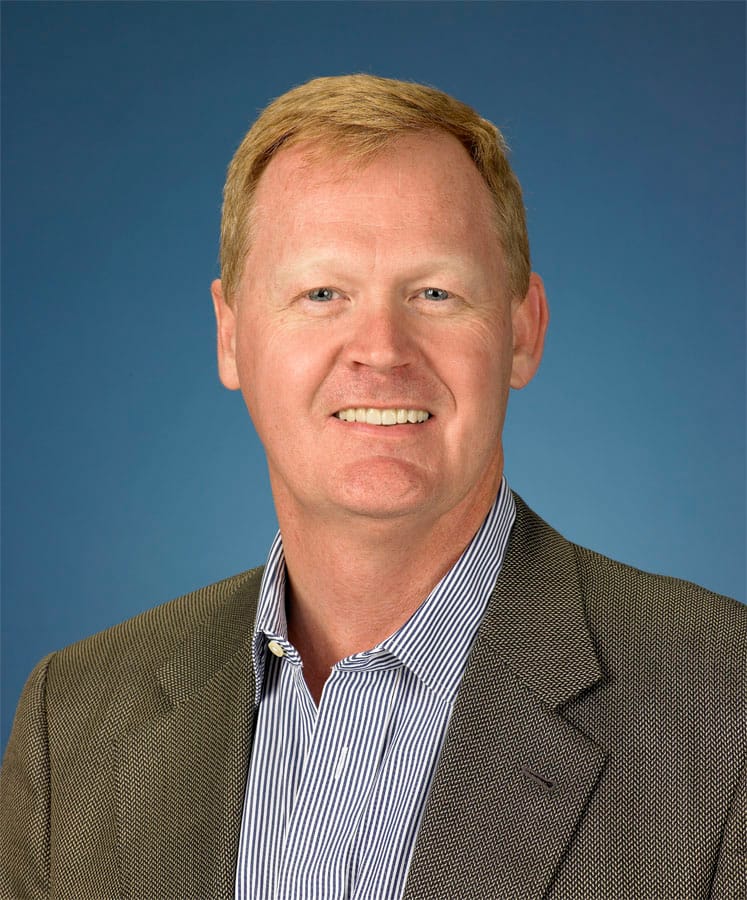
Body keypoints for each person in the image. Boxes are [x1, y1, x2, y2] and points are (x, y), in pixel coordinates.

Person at [1, 74, 744, 900]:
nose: (382, 350)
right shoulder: (73, 719)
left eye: (435, 293)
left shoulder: (724, 704)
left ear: (522, 331)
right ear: (231, 335)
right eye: (322, 293)